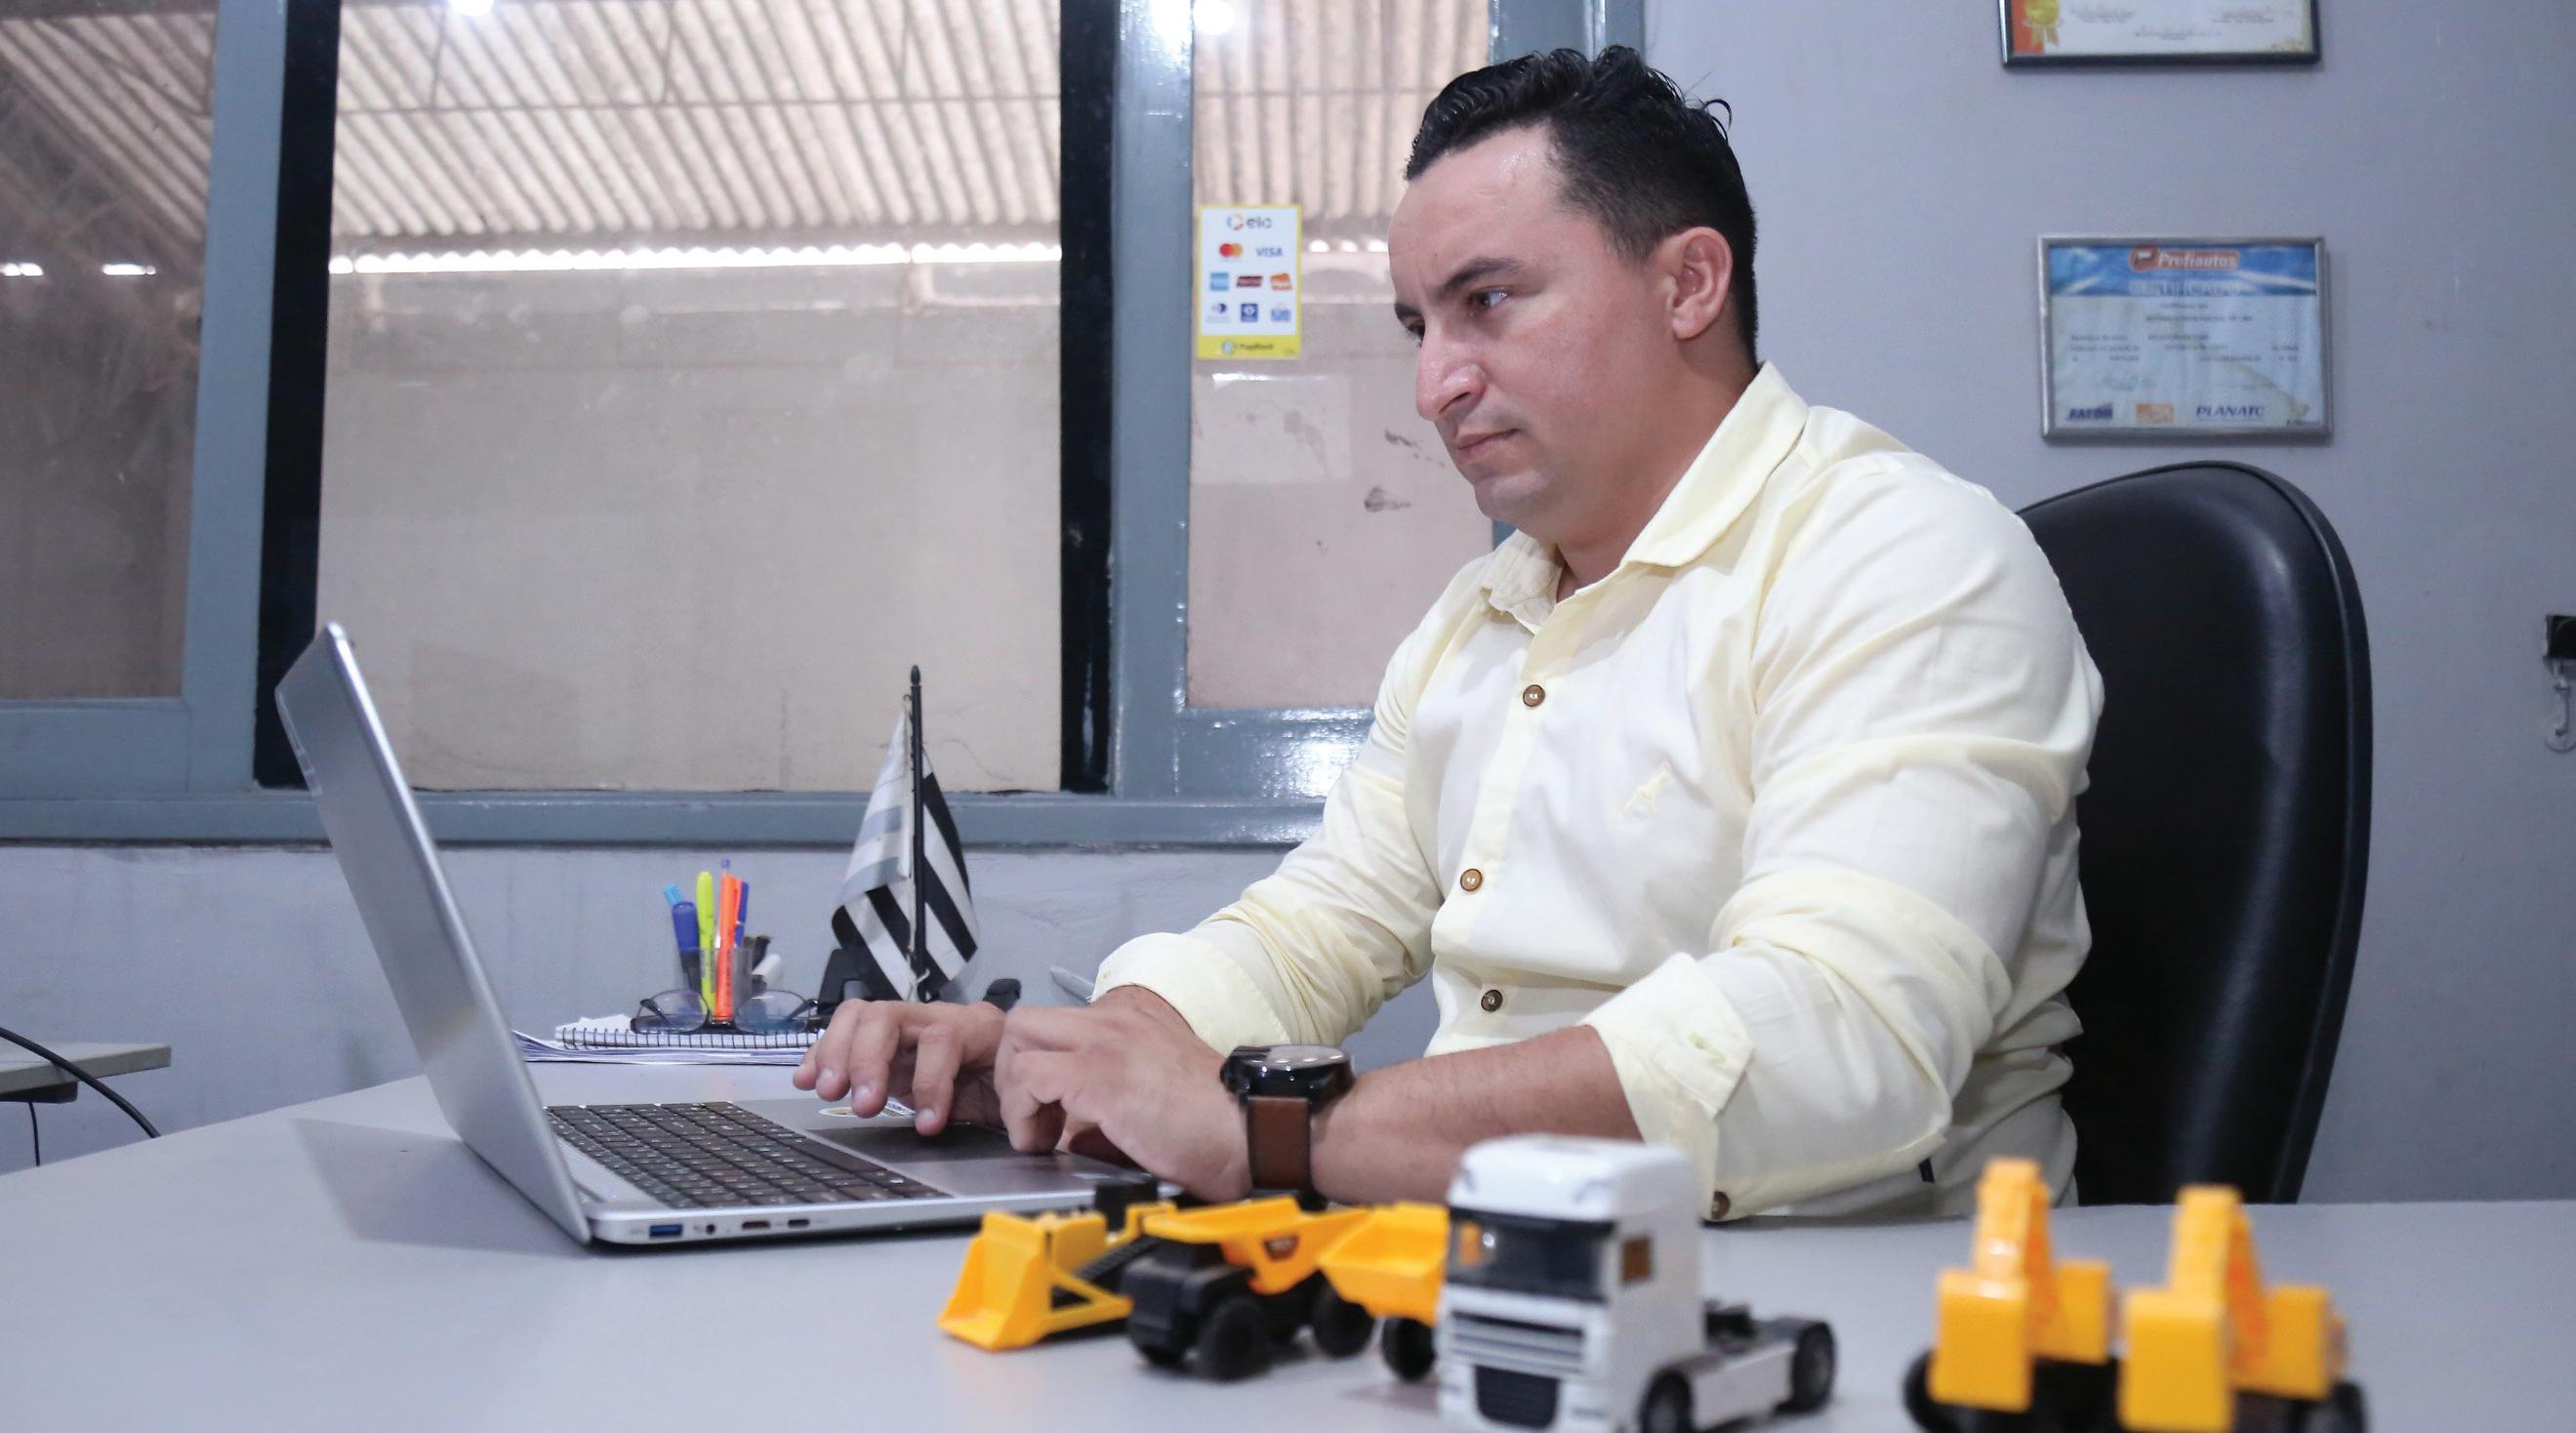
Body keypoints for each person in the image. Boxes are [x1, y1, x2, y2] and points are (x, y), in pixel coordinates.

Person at [797, 46, 2100, 1220]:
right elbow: (1317, 927)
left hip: (1829, 1297)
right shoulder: (1480, 620)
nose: (1434, 384)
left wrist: (1279, 1134)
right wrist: (1085, 1060)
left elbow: (1841, 1038)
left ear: (1689, 283)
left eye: (1491, 301)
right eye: (1422, 327)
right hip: (1491, 1260)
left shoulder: (1903, 558)